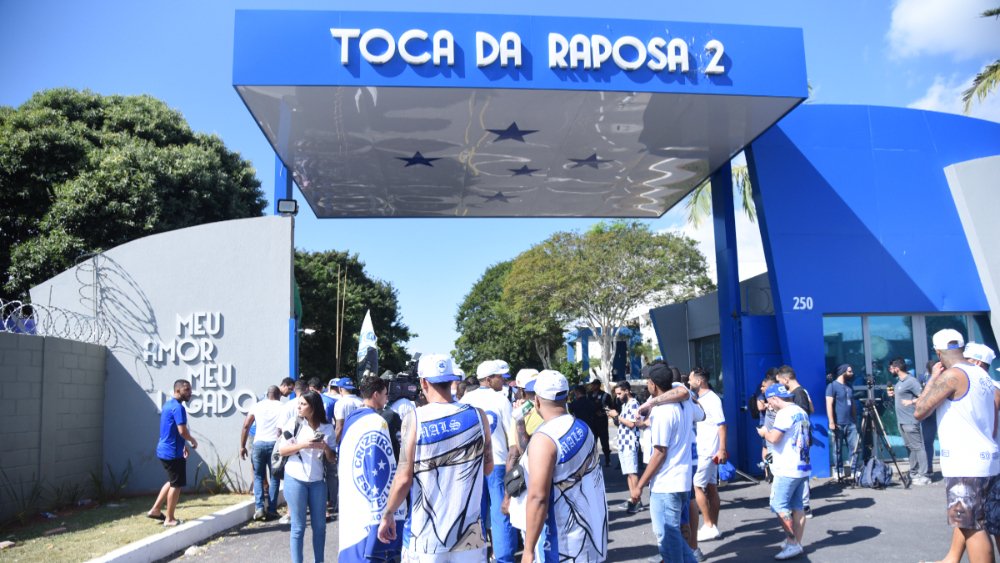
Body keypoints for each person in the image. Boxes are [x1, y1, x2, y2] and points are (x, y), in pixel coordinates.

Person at [377, 353, 493, 562]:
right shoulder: (478, 415)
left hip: (426, 537)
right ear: (452, 381)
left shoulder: (415, 419)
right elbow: (487, 468)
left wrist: (388, 514)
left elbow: (404, 478)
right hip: (469, 536)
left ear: (423, 382)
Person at [914, 329, 1000, 563]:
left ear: (938, 352)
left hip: (965, 464)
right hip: (988, 459)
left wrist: (933, 378)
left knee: (972, 527)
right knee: (982, 522)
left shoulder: (953, 375)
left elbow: (920, 410)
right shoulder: (982, 375)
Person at [520, 369, 608, 563]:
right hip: (592, 534)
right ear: (567, 396)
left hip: (561, 543)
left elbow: (538, 498)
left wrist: (528, 550)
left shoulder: (545, 439)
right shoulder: (581, 427)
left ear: (537, 401)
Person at [630, 363, 697, 563]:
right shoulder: (684, 403)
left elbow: (659, 453)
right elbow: (697, 410)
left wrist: (639, 485)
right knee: (673, 535)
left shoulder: (663, 412)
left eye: (648, 382)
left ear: (653, 384)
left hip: (667, 484)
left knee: (667, 537)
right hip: (681, 480)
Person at [338, 375, 406, 563]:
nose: (386, 398)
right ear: (376, 394)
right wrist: (388, 511)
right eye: (384, 394)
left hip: (352, 499)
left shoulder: (352, 419)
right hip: (370, 503)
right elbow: (384, 469)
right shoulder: (377, 422)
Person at [461, 360, 517, 563]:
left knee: (474, 513)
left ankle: (476, 556)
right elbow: (513, 439)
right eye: (499, 377)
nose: (503, 380)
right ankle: (504, 557)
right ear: (488, 379)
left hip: (471, 464)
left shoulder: (465, 399)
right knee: (500, 511)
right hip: (499, 462)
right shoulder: (501, 400)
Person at [277, 391, 336, 563]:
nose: (299, 407)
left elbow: (332, 458)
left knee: (320, 527)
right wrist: (305, 444)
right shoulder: (294, 424)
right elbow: (282, 450)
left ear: (313, 406)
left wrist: (324, 446)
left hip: (318, 480)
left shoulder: (327, 427)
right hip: (295, 477)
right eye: (299, 404)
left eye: (303, 404)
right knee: (298, 527)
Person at [756, 384, 811, 560]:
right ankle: (795, 543)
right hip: (801, 465)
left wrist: (764, 432)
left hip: (787, 467)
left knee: (779, 505)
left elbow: (773, 438)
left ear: (774, 398)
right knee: (797, 507)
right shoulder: (800, 411)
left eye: (769, 401)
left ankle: (792, 541)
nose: (768, 405)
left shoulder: (783, 414)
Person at [148, 379, 197, 527]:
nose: (190, 393)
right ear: (177, 391)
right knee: (176, 484)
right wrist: (192, 440)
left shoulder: (168, 405)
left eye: (190, 389)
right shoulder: (178, 408)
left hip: (166, 449)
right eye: (187, 390)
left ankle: (155, 510)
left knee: (172, 481)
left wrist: (183, 445)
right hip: (172, 453)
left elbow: (173, 431)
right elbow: (182, 430)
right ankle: (169, 519)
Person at [689, 366, 726, 542]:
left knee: (697, 486)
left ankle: (709, 525)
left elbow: (722, 425)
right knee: (711, 487)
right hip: (707, 449)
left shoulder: (712, 399)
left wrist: (722, 449)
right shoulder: (700, 398)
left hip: (708, 450)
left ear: (699, 381)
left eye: (690, 379)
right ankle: (713, 527)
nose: (688, 382)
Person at [240, 385, 285, 520]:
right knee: (274, 477)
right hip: (274, 445)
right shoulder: (282, 406)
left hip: (258, 444)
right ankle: (272, 509)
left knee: (258, 476)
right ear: (278, 395)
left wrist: (242, 446)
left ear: (267, 394)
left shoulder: (257, 406)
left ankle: (259, 508)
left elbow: (246, 425)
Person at [775, 365, 814, 516]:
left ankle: (804, 506)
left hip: (799, 440)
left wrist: (802, 440)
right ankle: (801, 505)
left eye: (780, 382)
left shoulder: (798, 394)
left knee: (801, 472)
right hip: (800, 439)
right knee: (800, 471)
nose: (779, 386)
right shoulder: (800, 392)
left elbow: (803, 417)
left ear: (786, 379)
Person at [886, 357, 931, 485]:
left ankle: (924, 475)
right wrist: (894, 395)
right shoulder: (900, 382)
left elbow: (924, 396)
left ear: (897, 368)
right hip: (902, 421)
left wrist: (911, 401)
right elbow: (903, 396)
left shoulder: (911, 381)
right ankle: (913, 472)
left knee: (918, 447)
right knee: (910, 447)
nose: (890, 370)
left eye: (891, 368)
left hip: (911, 420)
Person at [609, 380, 641, 513]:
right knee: (628, 473)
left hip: (630, 442)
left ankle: (637, 500)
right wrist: (616, 418)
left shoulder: (634, 404)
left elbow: (632, 424)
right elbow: (623, 423)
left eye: (619, 393)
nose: (617, 396)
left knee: (632, 472)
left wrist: (617, 416)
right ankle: (632, 497)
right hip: (623, 442)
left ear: (627, 391)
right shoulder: (625, 404)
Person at [825, 364, 857, 480]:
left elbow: (852, 404)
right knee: (837, 449)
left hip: (851, 423)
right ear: (842, 372)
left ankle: (854, 471)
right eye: (849, 371)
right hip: (838, 423)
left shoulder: (849, 386)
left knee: (854, 448)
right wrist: (831, 421)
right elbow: (829, 404)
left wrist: (855, 419)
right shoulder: (832, 386)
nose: (852, 373)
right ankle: (838, 471)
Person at [587, 378, 614, 467]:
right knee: (592, 443)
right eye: (592, 384)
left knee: (604, 442)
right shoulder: (589, 395)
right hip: (592, 422)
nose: (593, 386)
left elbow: (611, 407)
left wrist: (603, 412)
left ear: (598, 386)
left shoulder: (605, 395)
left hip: (602, 422)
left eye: (594, 384)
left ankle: (607, 459)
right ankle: (594, 461)